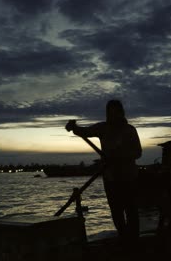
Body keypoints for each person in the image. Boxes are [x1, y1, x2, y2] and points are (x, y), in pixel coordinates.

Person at [65, 100, 142, 242]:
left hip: (128, 177)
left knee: (131, 210)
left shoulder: (130, 130)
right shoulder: (103, 128)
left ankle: (134, 241)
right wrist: (74, 128)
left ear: (121, 112)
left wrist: (120, 156)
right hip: (111, 177)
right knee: (116, 211)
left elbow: (138, 152)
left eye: (115, 112)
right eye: (110, 112)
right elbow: (86, 131)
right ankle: (124, 238)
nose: (112, 115)